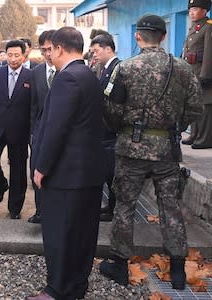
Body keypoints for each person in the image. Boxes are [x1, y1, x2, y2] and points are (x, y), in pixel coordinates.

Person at [99, 15, 202, 290]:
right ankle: (178, 270)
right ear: (165, 37)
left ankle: (119, 265)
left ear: (138, 36)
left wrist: (122, 128)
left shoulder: (125, 68)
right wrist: (174, 126)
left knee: (125, 206)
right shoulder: (181, 68)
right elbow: (196, 108)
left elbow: (110, 110)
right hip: (167, 150)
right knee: (170, 208)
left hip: (130, 150)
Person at [27, 27, 105, 300]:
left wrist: (42, 167)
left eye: (51, 50)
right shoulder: (90, 76)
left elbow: (55, 128)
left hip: (66, 174)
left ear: (59, 49)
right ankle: (76, 287)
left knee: (60, 234)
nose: (50, 55)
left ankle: (57, 290)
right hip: (89, 174)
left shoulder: (66, 78)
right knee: (82, 235)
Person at [0, 39, 32, 220]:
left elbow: (32, 107)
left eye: (16, 55)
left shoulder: (30, 76)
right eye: (9, 55)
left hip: (19, 131)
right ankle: (1, 184)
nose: (13, 59)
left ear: (23, 55)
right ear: (5, 55)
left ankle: (15, 208)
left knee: (19, 171)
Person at [89, 33, 121, 222]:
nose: (94, 55)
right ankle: (110, 206)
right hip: (104, 129)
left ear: (108, 48)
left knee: (112, 173)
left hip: (111, 130)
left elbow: (113, 99)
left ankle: (113, 208)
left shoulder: (117, 68)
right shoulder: (105, 68)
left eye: (96, 51)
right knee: (108, 171)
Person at [28, 30, 56, 224]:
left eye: (50, 49)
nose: (47, 54)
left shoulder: (67, 71)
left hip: (61, 131)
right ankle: (40, 211)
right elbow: (32, 106)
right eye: (43, 49)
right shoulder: (35, 73)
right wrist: (32, 132)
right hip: (39, 130)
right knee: (35, 169)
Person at [181, 0, 212, 149]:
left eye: (195, 9)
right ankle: (194, 134)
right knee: (193, 104)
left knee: (205, 106)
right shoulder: (194, 27)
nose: (191, 12)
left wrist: (206, 75)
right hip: (192, 73)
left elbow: (209, 53)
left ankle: (204, 139)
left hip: (202, 73)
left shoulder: (209, 27)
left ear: (205, 11)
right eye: (190, 10)